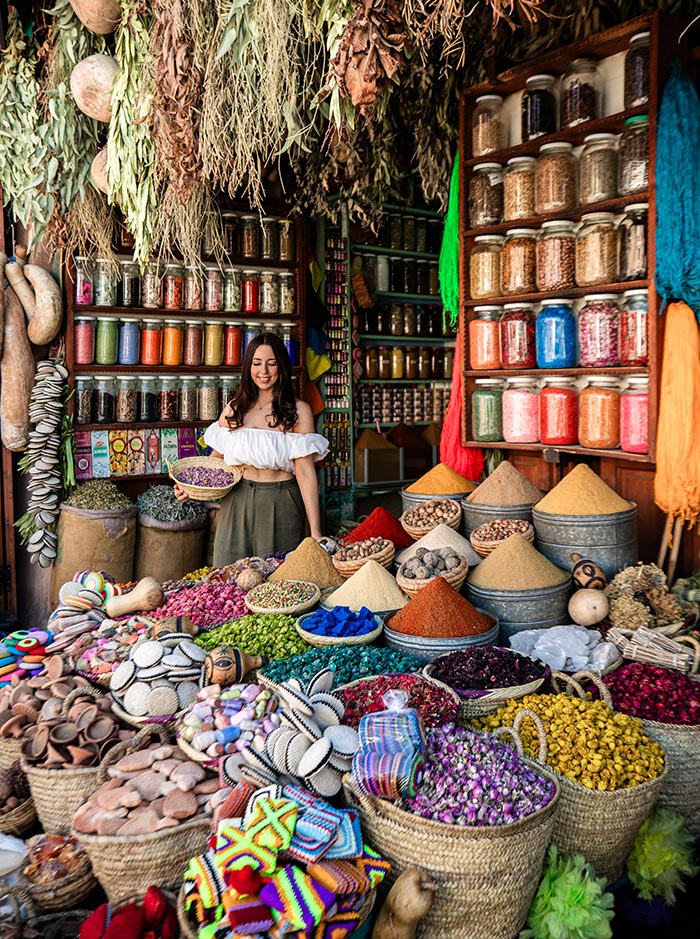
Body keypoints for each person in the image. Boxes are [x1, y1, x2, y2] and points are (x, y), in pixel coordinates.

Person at [174, 332, 329, 566]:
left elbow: (305, 472)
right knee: (229, 575)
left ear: (282, 367)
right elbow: (216, 462)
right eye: (257, 364)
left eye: (271, 363)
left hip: (281, 501)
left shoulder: (298, 411)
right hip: (237, 499)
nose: (263, 371)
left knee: (278, 579)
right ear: (248, 367)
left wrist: (316, 531)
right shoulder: (235, 408)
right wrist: (190, 488)